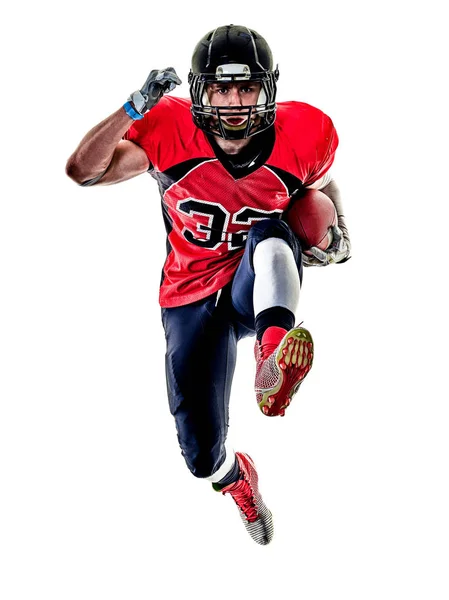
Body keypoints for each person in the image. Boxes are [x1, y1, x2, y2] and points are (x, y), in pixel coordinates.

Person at [66, 24, 351, 546]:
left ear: (268, 90)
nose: (235, 101)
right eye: (221, 88)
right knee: (200, 458)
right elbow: (83, 171)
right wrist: (132, 109)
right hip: (190, 295)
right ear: (200, 92)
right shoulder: (169, 130)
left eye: (246, 88)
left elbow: (318, 182)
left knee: (272, 234)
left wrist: (339, 229)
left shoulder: (303, 133)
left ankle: (272, 356)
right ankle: (238, 481)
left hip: (253, 278)